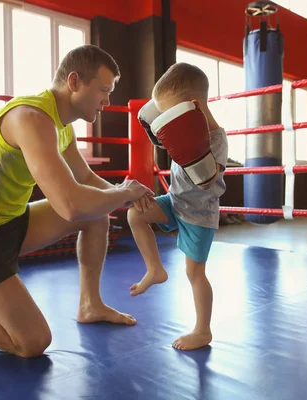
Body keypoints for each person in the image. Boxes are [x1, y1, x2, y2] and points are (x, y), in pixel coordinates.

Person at [0, 45, 154, 358]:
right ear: (75, 81)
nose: (108, 100)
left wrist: (135, 198)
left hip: (11, 222)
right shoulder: (31, 118)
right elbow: (70, 204)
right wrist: (123, 193)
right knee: (31, 343)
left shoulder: (61, 127)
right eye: (103, 90)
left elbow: (86, 179)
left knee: (97, 215)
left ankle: (90, 304)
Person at [127, 62, 228, 351]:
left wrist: (190, 153)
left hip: (199, 215)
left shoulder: (217, 138)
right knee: (135, 214)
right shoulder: (181, 130)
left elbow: (207, 179)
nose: (168, 120)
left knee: (195, 274)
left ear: (193, 106)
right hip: (175, 201)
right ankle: (155, 269)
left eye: (172, 114)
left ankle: (203, 330)